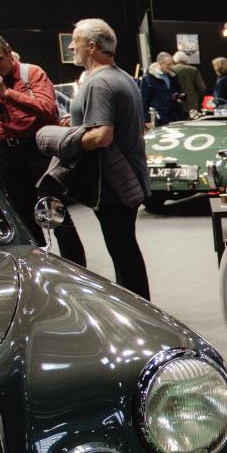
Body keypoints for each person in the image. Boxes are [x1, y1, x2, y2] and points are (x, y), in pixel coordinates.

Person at [65, 18, 152, 300]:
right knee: (125, 247)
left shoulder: (99, 83)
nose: (70, 46)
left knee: (122, 250)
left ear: (91, 46)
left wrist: (63, 139)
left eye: (75, 41)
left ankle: (138, 313)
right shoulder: (123, 77)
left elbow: (102, 136)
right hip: (126, 178)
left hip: (113, 183)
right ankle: (139, 308)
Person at [0, 33, 86, 263]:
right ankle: (38, 270)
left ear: (9, 51)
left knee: (56, 214)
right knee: (23, 218)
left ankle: (76, 269)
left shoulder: (31, 73)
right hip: (7, 152)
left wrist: (7, 94)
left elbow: (47, 109)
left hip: (38, 150)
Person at [140, 52, 183, 127]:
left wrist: (179, 96)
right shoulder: (148, 79)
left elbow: (178, 91)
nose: (171, 66)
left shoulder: (173, 75)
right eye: (168, 65)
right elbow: (143, 101)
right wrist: (146, 120)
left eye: (172, 63)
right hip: (159, 118)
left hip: (174, 116)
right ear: (160, 63)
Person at [171, 51, 206, 118]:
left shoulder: (171, 70)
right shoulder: (193, 70)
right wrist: (199, 101)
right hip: (193, 104)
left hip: (177, 105)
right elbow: (202, 88)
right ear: (186, 59)